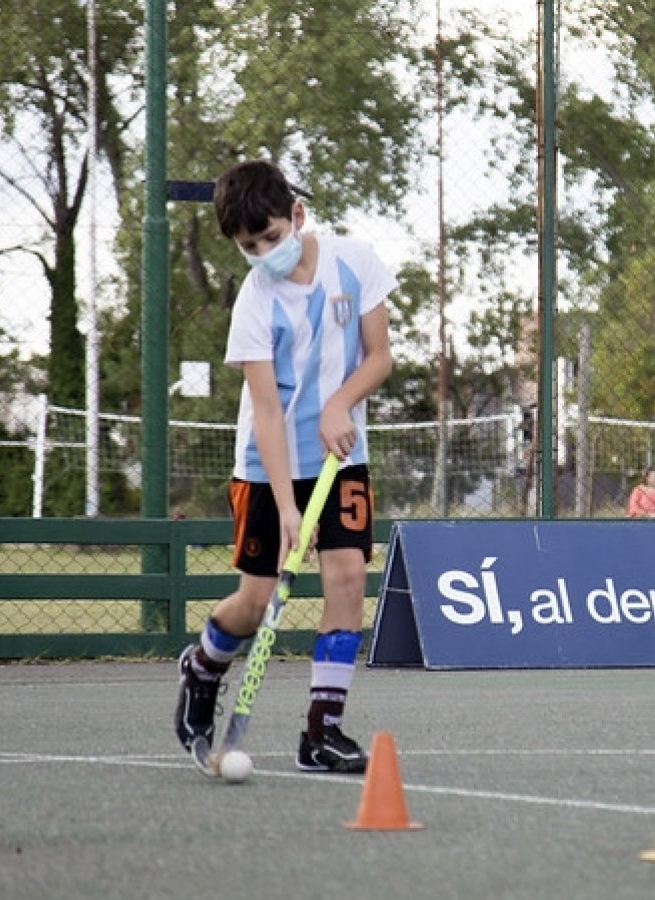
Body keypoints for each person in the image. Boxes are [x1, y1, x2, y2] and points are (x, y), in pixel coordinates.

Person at [174, 159, 394, 773]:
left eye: (271, 237)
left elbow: (379, 358)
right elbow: (267, 415)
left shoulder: (356, 263)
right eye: (249, 247)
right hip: (267, 465)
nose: (263, 252)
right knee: (258, 595)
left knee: (348, 578)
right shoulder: (254, 304)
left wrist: (339, 404)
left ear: (296, 216)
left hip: (340, 452)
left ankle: (321, 734)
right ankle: (204, 666)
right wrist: (289, 507)